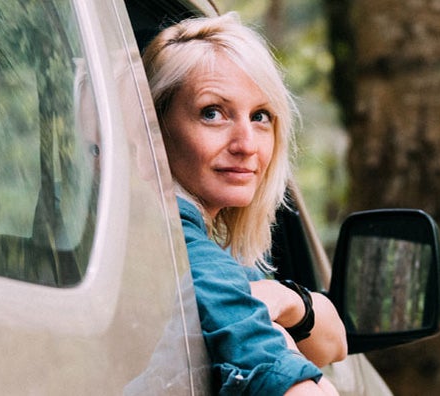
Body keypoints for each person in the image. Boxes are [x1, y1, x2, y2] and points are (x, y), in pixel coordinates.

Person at [142, 13, 347, 396]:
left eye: (260, 116)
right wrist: (284, 345)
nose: (247, 144)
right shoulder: (185, 254)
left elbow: (336, 341)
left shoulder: (203, 251)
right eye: (213, 113)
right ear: (155, 126)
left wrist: (287, 301)